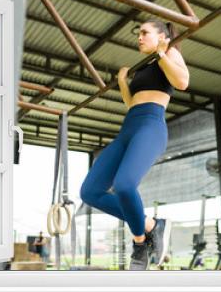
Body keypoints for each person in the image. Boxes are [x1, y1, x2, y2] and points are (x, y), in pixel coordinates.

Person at [80, 18, 190, 270]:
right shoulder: (144, 67)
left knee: (124, 184)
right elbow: (132, 104)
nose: (139, 37)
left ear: (162, 36)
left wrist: (162, 52)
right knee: (90, 192)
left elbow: (183, 82)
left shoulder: (169, 52)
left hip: (150, 127)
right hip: (128, 128)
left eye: (144, 33)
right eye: (138, 33)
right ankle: (153, 225)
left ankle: (140, 243)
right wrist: (122, 82)